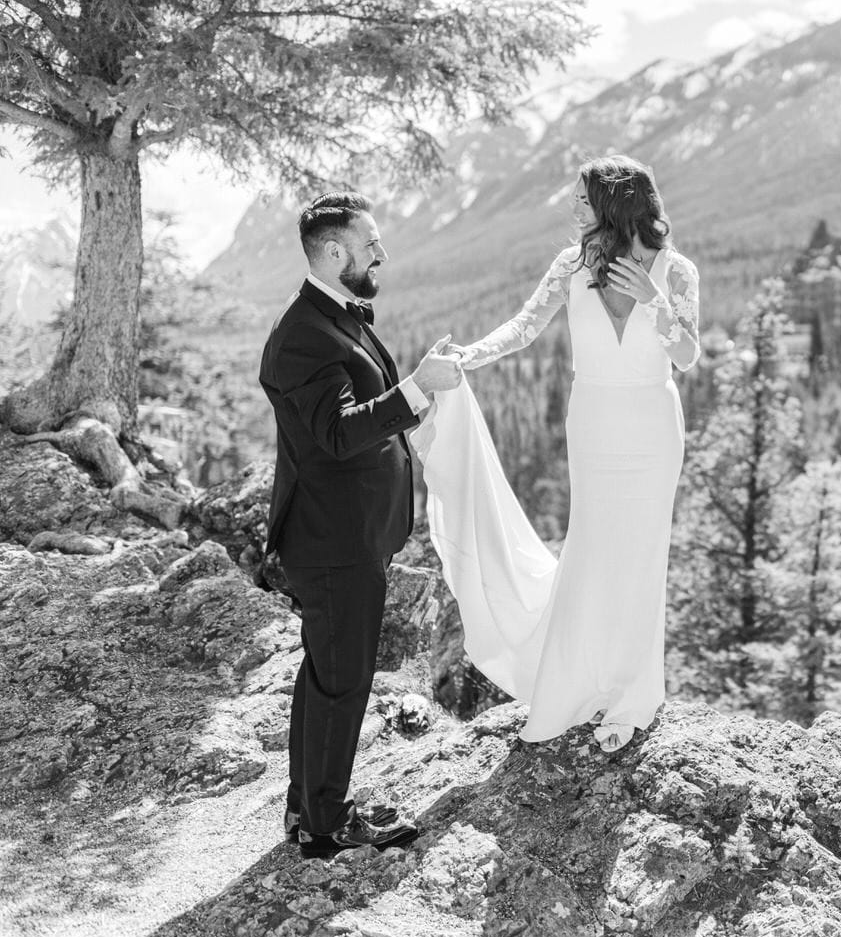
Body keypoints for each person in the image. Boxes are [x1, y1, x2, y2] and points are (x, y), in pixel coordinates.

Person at [419, 154, 699, 754]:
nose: (572, 208)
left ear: (615, 202)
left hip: (653, 427)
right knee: (595, 546)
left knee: (644, 554)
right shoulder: (570, 266)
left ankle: (632, 694)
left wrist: (653, 300)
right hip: (594, 423)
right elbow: (524, 327)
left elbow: (687, 355)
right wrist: (468, 355)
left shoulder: (677, 273)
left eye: (581, 198)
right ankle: (576, 686)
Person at [259, 192, 464, 859]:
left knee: (326, 675)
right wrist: (415, 388)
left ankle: (308, 808)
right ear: (335, 252)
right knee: (342, 681)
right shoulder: (302, 338)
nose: (383, 252)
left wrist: (413, 392)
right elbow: (341, 434)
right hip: (332, 541)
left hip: (344, 535)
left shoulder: (330, 318)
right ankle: (328, 825)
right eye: (371, 241)